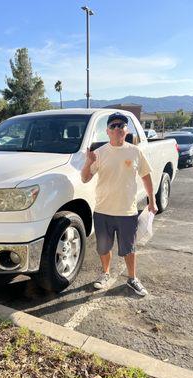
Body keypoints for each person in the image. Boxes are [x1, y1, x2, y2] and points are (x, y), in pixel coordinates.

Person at [81, 112, 158, 296]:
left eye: (121, 125)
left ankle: (132, 279)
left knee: (129, 249)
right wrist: (88, 162)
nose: (117, 128)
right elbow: (85, 178)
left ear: (126, 130)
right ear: (107, 131)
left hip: (127, 212)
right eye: (113, 126)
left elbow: (146, 176)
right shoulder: (98, 153)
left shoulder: (135, 151)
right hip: (103, 211)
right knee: (103, 248)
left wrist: (152, 201)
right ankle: (105, 274)